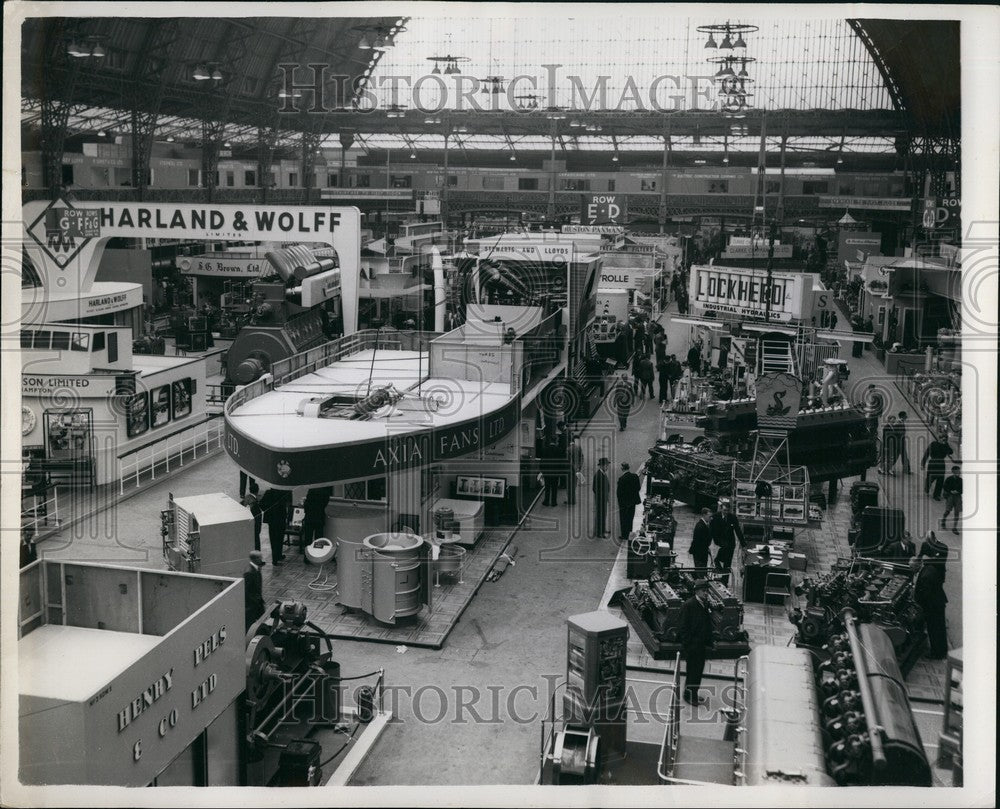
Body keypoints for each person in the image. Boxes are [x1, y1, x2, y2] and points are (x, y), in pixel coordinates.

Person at [679, 579, 716, 705]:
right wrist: (689, 645)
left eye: (707, 591)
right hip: (693, 647)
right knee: (693, 672)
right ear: (697, 591)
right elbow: (683, 628)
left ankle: (692, 693)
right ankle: (690, 696)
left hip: (701, 646)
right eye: (704, 591)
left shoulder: (704, 604)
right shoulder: (688, 605)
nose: (706, 593)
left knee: (697, 672)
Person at [912, 537, 949, 659]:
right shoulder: (931, 567)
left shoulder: (927, 572)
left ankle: (937, 654)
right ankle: (941, 651)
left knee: (935, 630)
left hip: (933, 605)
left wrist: (918, 603)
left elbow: (926, 594)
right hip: (937, 602)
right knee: (939, 628)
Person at [710, 499, 745, 585]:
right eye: (724, 510)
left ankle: (725, 581)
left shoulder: (732, 517)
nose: (726, 512)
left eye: (727, 511)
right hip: (720, 540)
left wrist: (743, 544)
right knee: (722, 552)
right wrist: (713, 541)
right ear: (721, 509)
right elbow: (712, 530)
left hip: (730, 541)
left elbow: (738, 531)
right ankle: (717, 561)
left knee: (728, 562)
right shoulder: (715, 516)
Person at [260, 488, 291, 565]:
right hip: (281, 518)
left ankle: (276, 557)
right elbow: (289, 504)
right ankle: (276, 557)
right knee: (280, 538)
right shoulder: (286, 491)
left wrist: (268, 511)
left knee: (273, 538)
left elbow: (261, 504)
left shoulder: (268, 492)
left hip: (271, 519)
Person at [921, 432, 954, 500]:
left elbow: (951, 452)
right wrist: (923, 464)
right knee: (930, 478)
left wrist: (946, 445)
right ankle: (926, 489)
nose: (943, 440)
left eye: (945, 439)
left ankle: (936, 495)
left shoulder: (946, 445)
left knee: (940, 480)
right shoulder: (933, 444)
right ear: (939, 438)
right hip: (933, 463)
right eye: (942, 439)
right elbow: (926, 454)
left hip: (941, 463)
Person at [300, 486, 332, 551]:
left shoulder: (312, 489)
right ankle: (317, 554)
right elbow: (325, 503)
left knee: (308, 538)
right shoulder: (325, 490)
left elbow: (307, 503)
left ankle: (307, 556)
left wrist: (306, 511)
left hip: (310, 516)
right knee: (319, 538)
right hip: (319, 516)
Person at [616, 462, 642, 542]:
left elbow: (619, 493)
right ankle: (629, 533)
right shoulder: (635, 476)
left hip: (624, 503)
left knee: (623, 519)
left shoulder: (621, 479)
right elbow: (638, 488)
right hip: (633, 502)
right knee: (630, 518)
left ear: (622, 469)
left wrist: (620, 502)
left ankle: (624, 535)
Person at [244, 550, 267, 631]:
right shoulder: (249, 573)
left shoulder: (256, 569)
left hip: (256, 603)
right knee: (249, 625)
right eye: (260, 558)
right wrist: (254, 601)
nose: (262, 559)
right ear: (255, 559)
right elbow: (246, 590)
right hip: (251, 606)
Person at [592, 457, 611, 538]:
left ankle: (602, 529)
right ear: (602, 466)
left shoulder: (602, 473)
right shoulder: (598, 475)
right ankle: (599, 533)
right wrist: (601, 497)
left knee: (603, 515)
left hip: (603, 498)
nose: (607, 467)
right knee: (600, 515)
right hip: (600, 499)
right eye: (606, 465)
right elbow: (594, 488)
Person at [940, 465, 962, 535]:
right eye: (957, 471)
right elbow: (945, 487)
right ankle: (943, 520)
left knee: (957, 512)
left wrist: (958, 491)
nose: (959, 472)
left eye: (959, 471)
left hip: (958, 497)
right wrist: (950, 491)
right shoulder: (949, 479)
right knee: (947, 510)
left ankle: (954, 528)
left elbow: (963, 489)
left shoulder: (961, 480)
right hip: (950, 496)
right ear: (953, 472)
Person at [567, 433, 584, 506]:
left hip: (570, 469)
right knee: (574, 485)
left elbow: (567, 460)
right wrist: (579, 466)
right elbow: (582, 457)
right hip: (577, 468)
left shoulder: (568, 449)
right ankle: (573, 500)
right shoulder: (578, 447)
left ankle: (570, 500)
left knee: (569, 486)